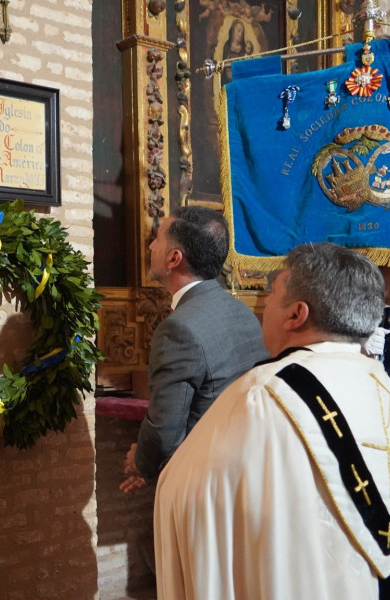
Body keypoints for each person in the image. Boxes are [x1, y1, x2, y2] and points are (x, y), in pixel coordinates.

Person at [155, 242, 390, 600]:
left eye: (271, 293)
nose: (262, 305)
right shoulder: (381, 381)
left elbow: (184, 492)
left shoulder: (262, 393)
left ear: (296, 315)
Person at [121, 206, 267, 494]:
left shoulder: (180, 329)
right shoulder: (244, 313)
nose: (151, 245)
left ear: (174, 258)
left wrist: (142, 463)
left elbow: (165, 429)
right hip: (247, 474)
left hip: (204, 483)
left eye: (158, 239)